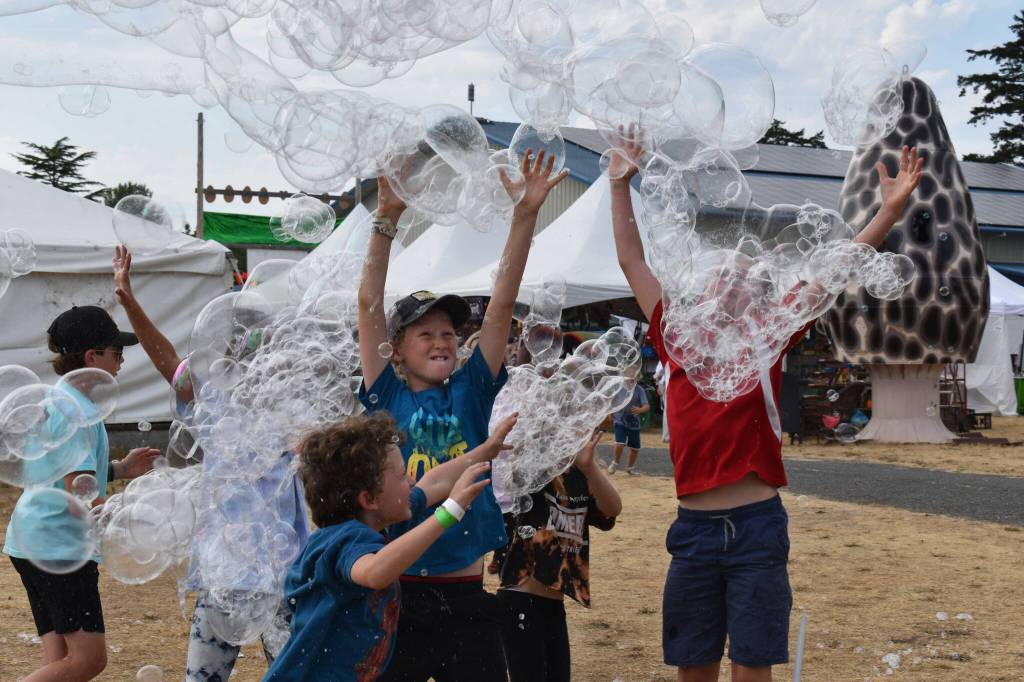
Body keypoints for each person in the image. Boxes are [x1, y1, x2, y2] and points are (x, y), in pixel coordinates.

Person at [607, 127, 923, 682]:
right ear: (698, 295)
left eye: (747, 277)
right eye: (721, 275)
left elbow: (836, 269)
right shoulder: (676, 337)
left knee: (753, 665)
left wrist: (889, 210)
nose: (734, 278)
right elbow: (632, 260)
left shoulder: (766, 339)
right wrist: (617, 186)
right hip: (694, 530)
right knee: (693, 663)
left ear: (758, 300)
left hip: (756, 528)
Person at [357, 149, 567, 681]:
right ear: (396, 351)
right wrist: (386, 218)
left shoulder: (472, 390)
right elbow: (367, 305)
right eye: (424, 332)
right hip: (398, 590)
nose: (441, 340)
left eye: (448, 331)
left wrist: (524, 216)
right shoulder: (385, 396)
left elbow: (500, 304)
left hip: (467, 591)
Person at [112, 246, 309, 680]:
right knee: (204, 678)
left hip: (282, 573)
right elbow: (169, 362)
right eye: (248, 337)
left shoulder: (293, 407)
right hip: (229, 570)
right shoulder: (216, 398)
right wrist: (128, 300)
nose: (258, 347)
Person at [263, 412, 517, 682]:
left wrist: (483, 452)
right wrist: (448, 513)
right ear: (369, 499)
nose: (410, 481)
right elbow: (374, 572)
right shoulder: (343, 541)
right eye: (401, 476)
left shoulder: (375, 521)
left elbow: (434, 482)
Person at [4, 305, 161, 682]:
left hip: (29, 541)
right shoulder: (78, 411)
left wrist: (121, 470)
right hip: (60, 547)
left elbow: (59, 473)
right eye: (117, 352)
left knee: (60, 661)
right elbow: (79, 494)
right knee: (89, 660)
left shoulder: (58, 400)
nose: (122, 361)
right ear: (92, 357)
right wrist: (127, 515)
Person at [497, 430, 622, 682]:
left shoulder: (578, 474)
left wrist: (589, 467)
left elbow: (612, 509)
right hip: (519, 601)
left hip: (554, 604)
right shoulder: (529, 473)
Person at [608, 382, 649, 475]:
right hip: (619, 420)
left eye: (635, 375)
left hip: (634, 423)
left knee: (635, 448)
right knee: (620, 443)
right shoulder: (619, 387)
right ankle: (615, 463)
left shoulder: (639, 389)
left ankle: (629, 468)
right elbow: (612, 401)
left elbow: (646, 406)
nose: (632, 377)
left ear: (638, 378)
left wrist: (640, 410)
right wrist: (610, 412)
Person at [655, 361, 670, 443]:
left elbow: (657, 374)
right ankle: (666, 436)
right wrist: (658, 386)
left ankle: (667, 436)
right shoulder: (665, 359)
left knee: (667, 410)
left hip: (667, 384)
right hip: (666, 385)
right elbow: (657, 374)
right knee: (667, 410)